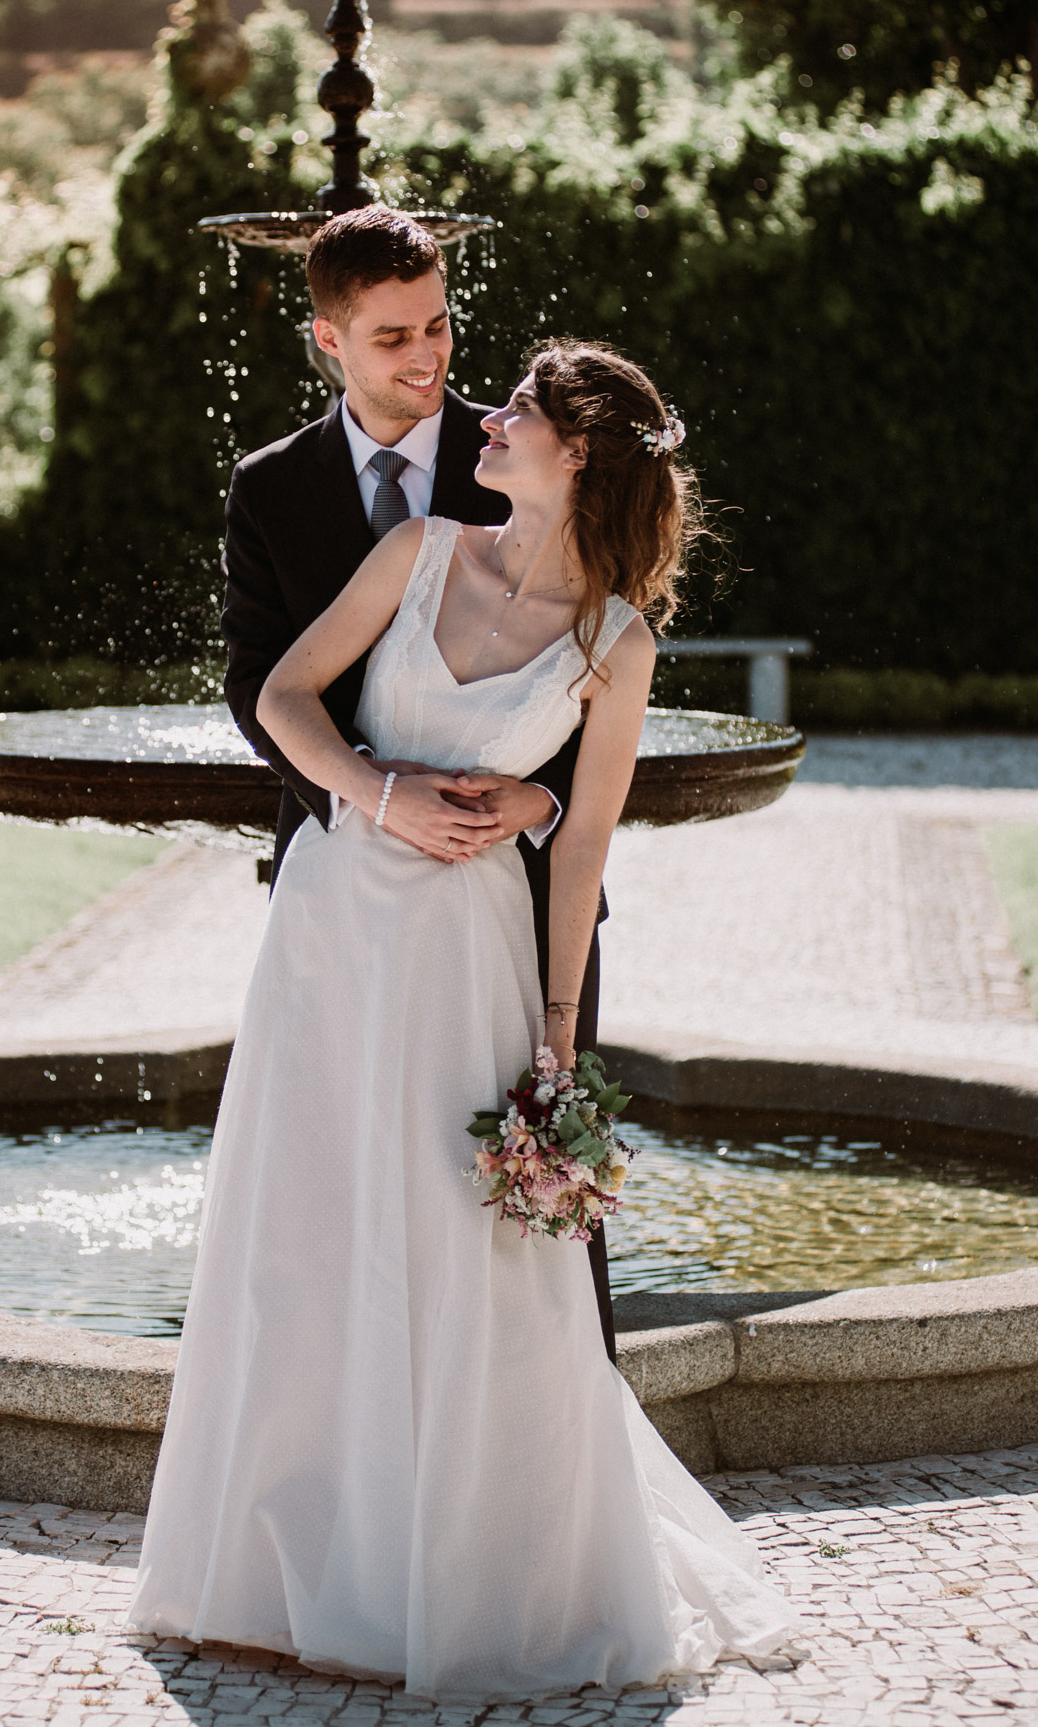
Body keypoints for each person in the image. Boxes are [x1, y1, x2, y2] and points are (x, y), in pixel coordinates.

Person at [129, 333, 800, 1698]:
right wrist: (376, 793)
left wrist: (555, 1041)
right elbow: (281, 698)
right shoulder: (416, 552)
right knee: (304, 1230)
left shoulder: (617, 643)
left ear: (580, 456)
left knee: (458, 1251)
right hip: (329, 931)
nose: (486, 414)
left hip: (469, 958)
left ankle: (463, 1573)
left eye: (524, 411)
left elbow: (584, 845)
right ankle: (262, 1575)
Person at [221, 205, 617, 1357]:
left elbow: (593, 663)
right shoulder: (271, 487)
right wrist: (370, 796)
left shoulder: (519, 449)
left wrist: (539, 804)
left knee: (529, 1205)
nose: (429, 356)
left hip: (519, 899)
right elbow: (260, 689)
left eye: (437, 325)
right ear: (329, 340)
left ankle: (549, 1459)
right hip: (350, 897)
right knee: (335, 1189)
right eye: (393, 336)